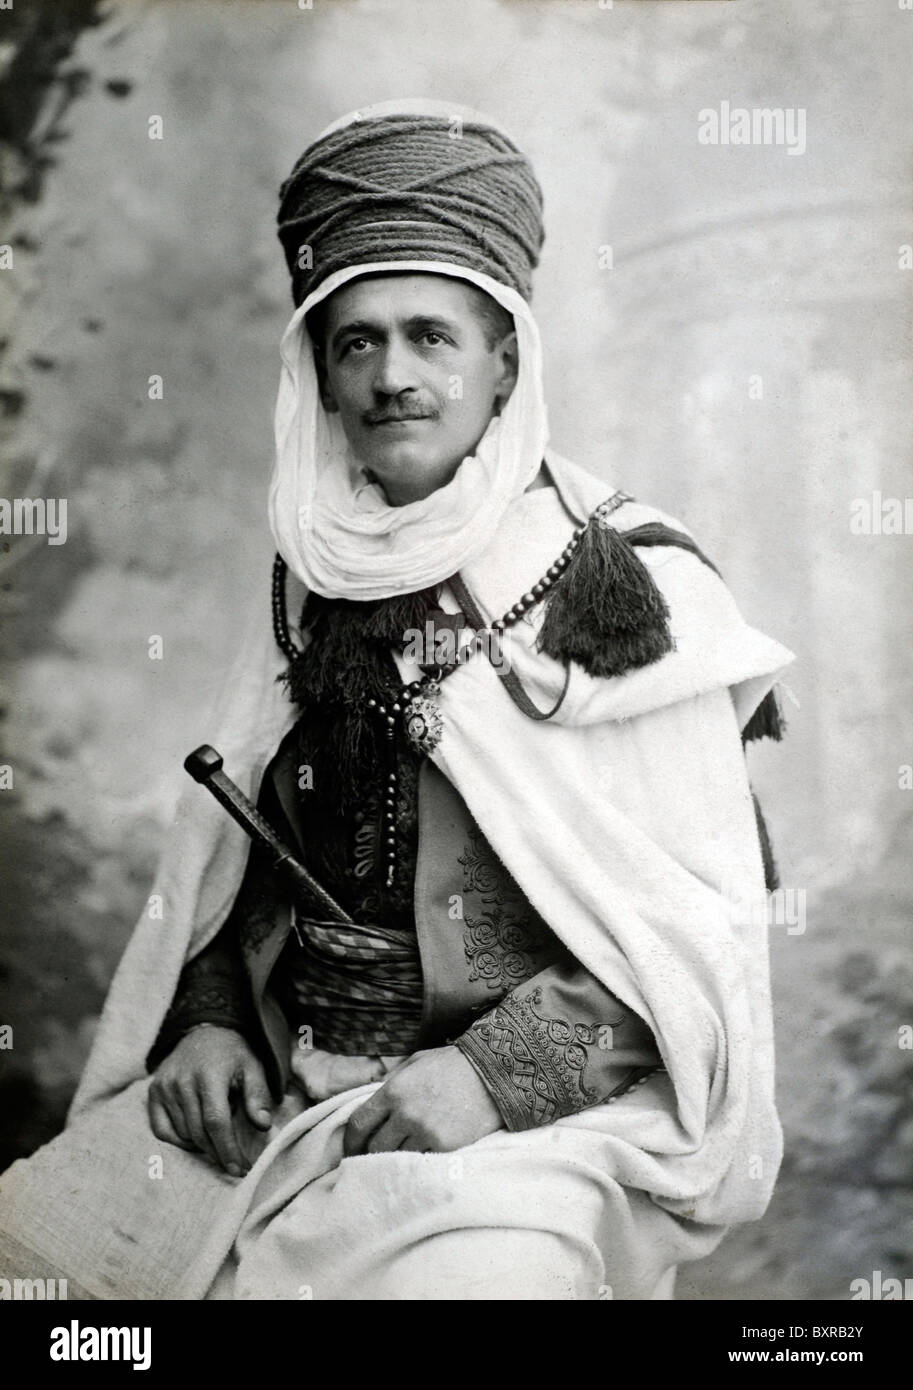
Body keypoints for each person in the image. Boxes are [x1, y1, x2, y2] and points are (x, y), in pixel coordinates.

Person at [0, 100, 794, 1301]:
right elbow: (241, 858)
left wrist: (486, 1077)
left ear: (504, 363)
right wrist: (210, 1013)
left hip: (533, 1127)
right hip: (286, 1085)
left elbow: (691, 945)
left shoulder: (619, 581)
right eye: (354, 340)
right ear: (316, 369)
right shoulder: (309, 577)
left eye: (431, 336)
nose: (392, 377)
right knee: (42, 1280)